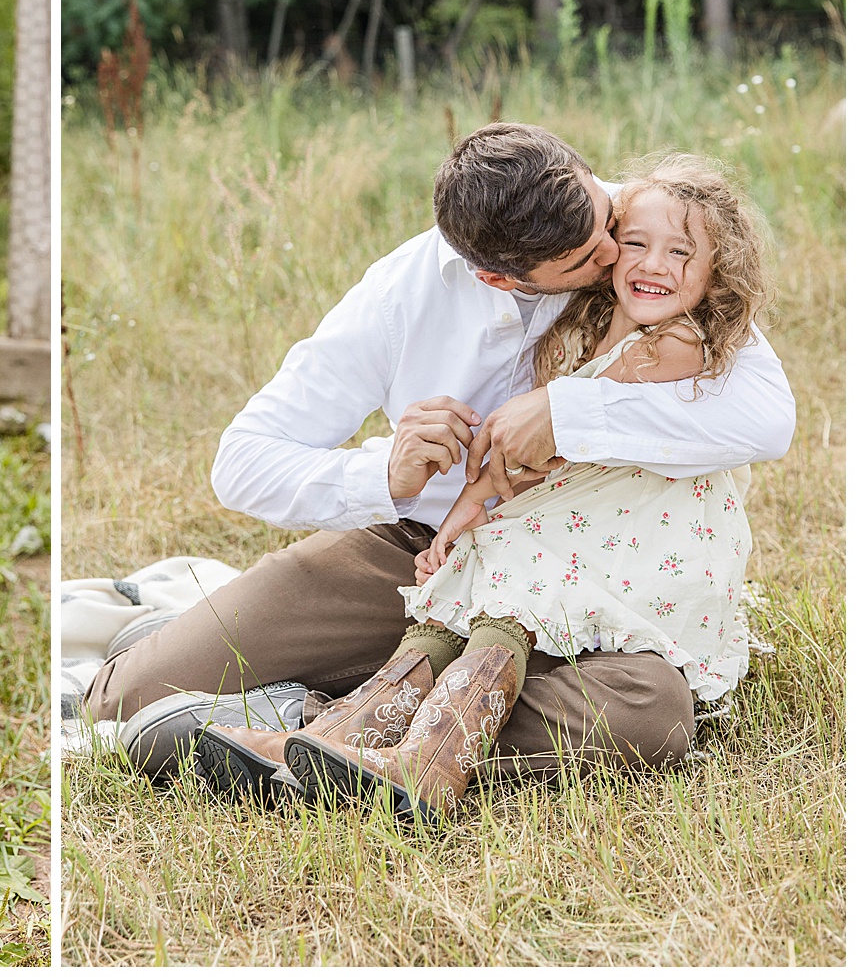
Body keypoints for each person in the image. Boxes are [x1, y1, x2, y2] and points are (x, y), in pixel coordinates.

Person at [82, 123, 794, 801]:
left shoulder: (647, 233)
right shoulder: (402, 294)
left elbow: (767, 417)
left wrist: (567, 416)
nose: (614, 256)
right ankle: (343, 716)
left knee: (651, 714)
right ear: (498, 278)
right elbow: (242, 462)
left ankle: (329, 732)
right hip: (421, 551)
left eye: (606, 219)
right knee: (123, 701)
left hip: (588, 577)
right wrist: (384, 476)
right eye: (585, 261)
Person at [279, 154, 769, 821]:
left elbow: (569, 417)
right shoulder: (580, 329)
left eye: (681, 253)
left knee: (518, 591)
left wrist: (554, 409)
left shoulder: (679, 339)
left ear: (718, 269)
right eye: (636, 244)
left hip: (630, 535)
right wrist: (463, 514)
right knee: (462, 598)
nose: (653, 265)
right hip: (561, 514)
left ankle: (418, 752)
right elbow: (517, 455)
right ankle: (340, 739)